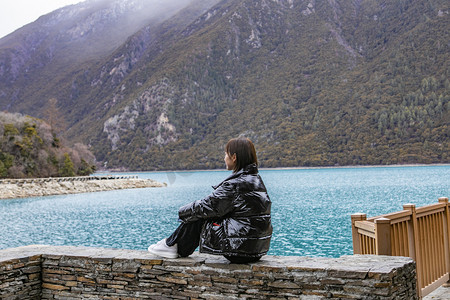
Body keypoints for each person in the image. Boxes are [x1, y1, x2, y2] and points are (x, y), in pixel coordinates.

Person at [148, 137, 272, 263]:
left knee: (201, 214)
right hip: (256, 249)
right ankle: (173, 245)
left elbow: (207, 205)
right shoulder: (256, 180)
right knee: (204, 211)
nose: (224, 158)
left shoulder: (235, 184)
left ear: (234, 157)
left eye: (225, 154)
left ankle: (171, 245)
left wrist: (181, 212)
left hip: (239, 249)